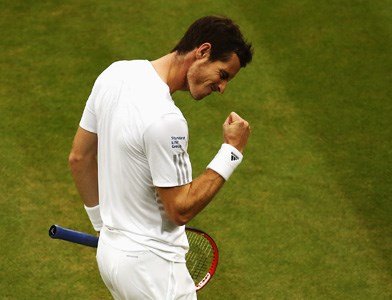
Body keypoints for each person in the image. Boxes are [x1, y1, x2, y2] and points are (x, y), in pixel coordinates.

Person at [68, 15, 253, 299]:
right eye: (223, 74)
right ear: (202, 51)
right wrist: (231, 152)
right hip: (154, 270)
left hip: (112, 257)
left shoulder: (114, 75)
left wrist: (104, 228)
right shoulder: (167, 120)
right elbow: (179, 209)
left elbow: (79, 159)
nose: (222, 87)